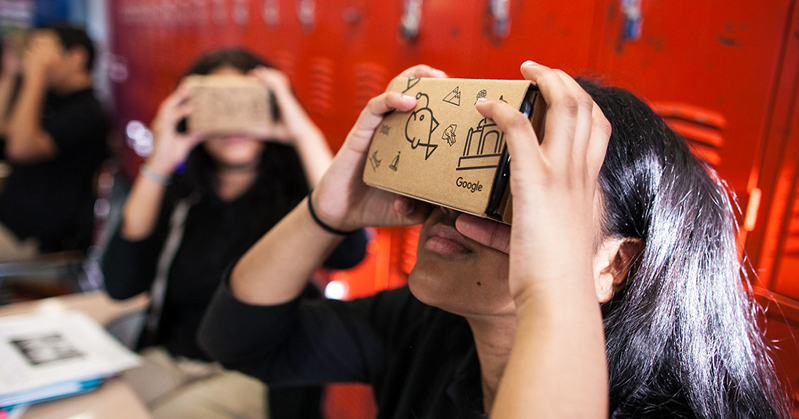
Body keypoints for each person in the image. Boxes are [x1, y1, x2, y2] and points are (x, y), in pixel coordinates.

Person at [198, 61, 791, 418]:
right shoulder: (430, 328)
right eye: (472, 173)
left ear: (613, 264)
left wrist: (554, 276)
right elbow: (242, 342)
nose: (458, 206)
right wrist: (329, 210)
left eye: (521, 192)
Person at [102, 48, 368, 419]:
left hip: (256, 371)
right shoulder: (184, 194)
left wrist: (300, 131)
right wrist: (160, 160)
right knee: (95, 408)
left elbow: (350, 253)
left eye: (246, 103)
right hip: (173, 357)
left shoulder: (296, 195)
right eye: (216, 104)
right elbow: (120, 282)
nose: (232, 122)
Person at [0, 25, 108, 257]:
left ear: (76, 57)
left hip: (35, 241)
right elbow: (4, 129)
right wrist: (10, 74)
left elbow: (20, 149)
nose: (33, 58)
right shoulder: (51, 97)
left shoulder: (87, 112)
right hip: (9, 223)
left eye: (42, 51)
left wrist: (35, 76)